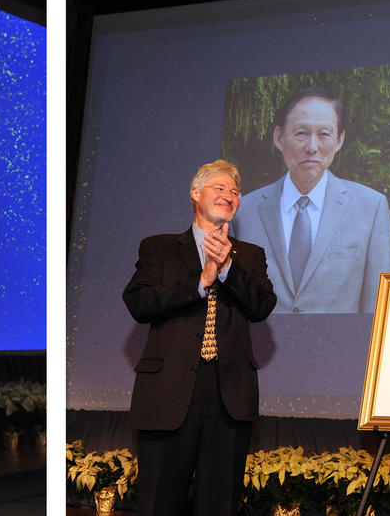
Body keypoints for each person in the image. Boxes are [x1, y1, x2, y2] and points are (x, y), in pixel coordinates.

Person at [122, 159, 277, 515]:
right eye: (220, 188)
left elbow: (262, 306)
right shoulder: (159, 248)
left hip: (229, 394)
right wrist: (199, 283)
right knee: (160, 500)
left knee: (219, 503)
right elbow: (138, 302)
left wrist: (227, 271)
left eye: (235, 192)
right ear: (196, 193)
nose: (229, 196)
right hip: (168, 392)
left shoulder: (250, 256)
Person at [234, 87, 390, 314]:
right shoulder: (244, 212)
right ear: (279, 138)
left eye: (324, 134)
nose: (312, 147)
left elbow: (377, 308)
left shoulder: (371, 207)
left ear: (339, 139)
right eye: (301, 133)